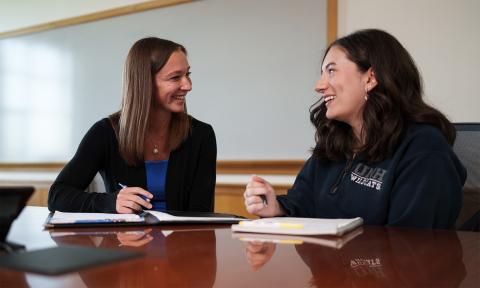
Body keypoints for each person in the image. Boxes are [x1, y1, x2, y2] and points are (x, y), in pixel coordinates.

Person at [244, 29, 466, 229]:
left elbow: (412, 246)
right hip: (330, 273)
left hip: (389, 274)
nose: (319, 85)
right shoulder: (333, 143)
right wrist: (276, 207)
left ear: (370, 78)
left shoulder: (424, 149)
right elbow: (303, 204)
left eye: (331, 71)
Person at [48, 37, 216, 213]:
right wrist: (110, 202)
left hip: (184, 240)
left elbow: (202, 213)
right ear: (145, 83)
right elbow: (57, 196)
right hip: (123, 241)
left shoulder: (201, 135)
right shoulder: (106, 132)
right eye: (175, 77)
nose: (188, 85)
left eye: (187, 74)